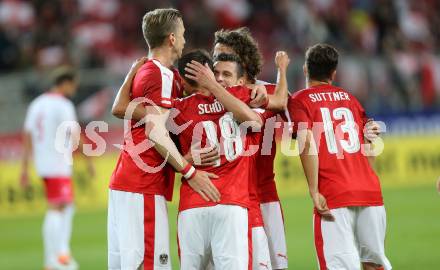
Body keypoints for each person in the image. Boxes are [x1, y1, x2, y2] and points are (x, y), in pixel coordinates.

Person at [108, 8, 220, 270]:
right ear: (171, 38)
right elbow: (155, 131)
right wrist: (190, 171)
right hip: (142, 183)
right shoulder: (162, 75)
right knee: (149, 264)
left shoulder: (148, 71)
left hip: (126, 183)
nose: (184, 39)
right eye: (182, 34)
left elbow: (119, 108)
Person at [287, 43, 391, 270]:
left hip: (334, 195)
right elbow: (370, 141)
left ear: (305, 69)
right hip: (369, 192)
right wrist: (364, 176)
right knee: (375, 265)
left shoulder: (299, 100)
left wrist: (314, 190)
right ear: (333, 73)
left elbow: (306, 141)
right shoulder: (350, 99)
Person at [213, 27, 289, 270]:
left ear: (242, 60)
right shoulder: (209, 94)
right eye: (215, 56)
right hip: (225, 198)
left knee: (275, 264)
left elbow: (288, 104)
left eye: (224, 55)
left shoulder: (264, 90)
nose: (217, 62)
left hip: (264, 193)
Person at [21, 67, 94, 270]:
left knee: (66, 207)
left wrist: (25, 168)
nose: (74, 89)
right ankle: (56, 259)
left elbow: (27, 136)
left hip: (43, 163)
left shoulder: (37, 103)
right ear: (66, 83)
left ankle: (56, 257)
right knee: (58, 208)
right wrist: (88, 160)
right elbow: (75, 134)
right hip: (57, 163)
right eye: (74, 85)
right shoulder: (62, 105)